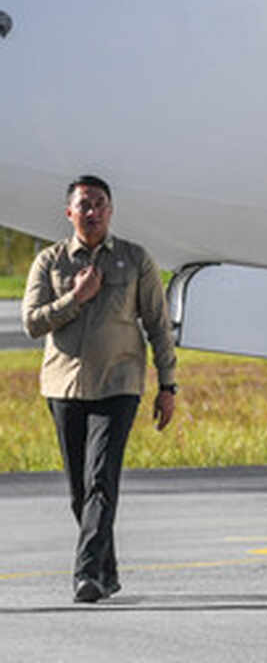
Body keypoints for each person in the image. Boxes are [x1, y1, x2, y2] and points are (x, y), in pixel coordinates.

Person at [21, 175, 177, 603]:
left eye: (99, 204)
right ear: (69, 212)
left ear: (111, 210)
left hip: (118, 384)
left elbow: (158, 325)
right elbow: (32, 322)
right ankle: (107, 571)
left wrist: (168, 384)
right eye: (84, 205)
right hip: (64, 386)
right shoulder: (50, 262)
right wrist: (76, 298)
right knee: (79, 491)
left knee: (100, 480)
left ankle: (86, 574)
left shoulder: (135, 259)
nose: (92, 212)